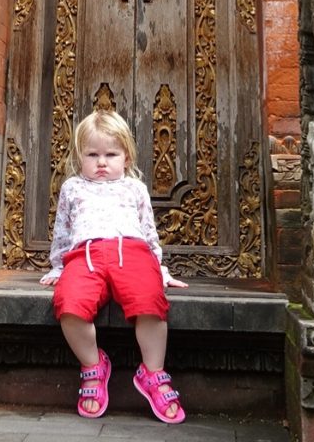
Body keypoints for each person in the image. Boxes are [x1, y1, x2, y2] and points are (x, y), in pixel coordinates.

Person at [39, 110, 189, 423]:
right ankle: (93, 366)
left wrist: (160, 269)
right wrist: (57, 267)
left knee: (150, 301)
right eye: (93, 154)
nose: (102, 162)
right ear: (79, 157)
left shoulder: (135, 188)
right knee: (68, 304)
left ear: (127, 156)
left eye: (111, 154)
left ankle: (153, 372)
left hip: (132, 253)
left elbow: (149, 232)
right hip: (85, 256)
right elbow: (63, 230)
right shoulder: (73, 187)